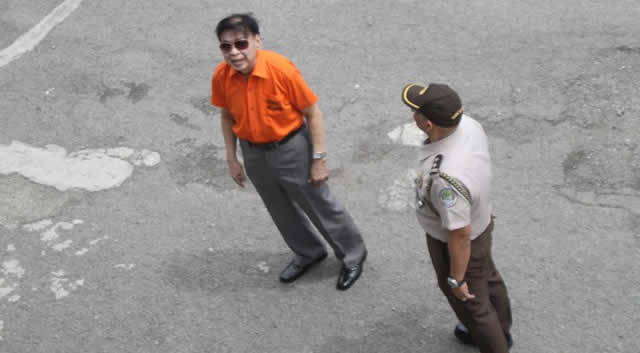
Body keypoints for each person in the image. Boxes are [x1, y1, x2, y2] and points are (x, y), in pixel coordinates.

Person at [210, 13, 367, 290]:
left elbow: (312, 113)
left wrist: (319, 159)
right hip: (253, 152)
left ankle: (353, 254)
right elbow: (226, 117)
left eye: (241, 44)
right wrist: (232, 158)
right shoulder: (222, 77)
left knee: (318, 203)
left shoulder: (281, 70)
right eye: (226, 46)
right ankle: (309, 252)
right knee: (278, 207)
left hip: (290, 148)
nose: (234, 53)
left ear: (257, 40)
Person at [401, 83, 514, 352]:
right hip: (482, 221)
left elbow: (459, 234)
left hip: (456, 240)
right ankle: (503, 329)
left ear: (428, 124)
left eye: (414, 111)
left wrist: (457, 278)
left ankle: (492, 340)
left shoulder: (446, 179)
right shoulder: (469, 125)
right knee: (488, 276)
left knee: (472, 303)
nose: (411, 114)